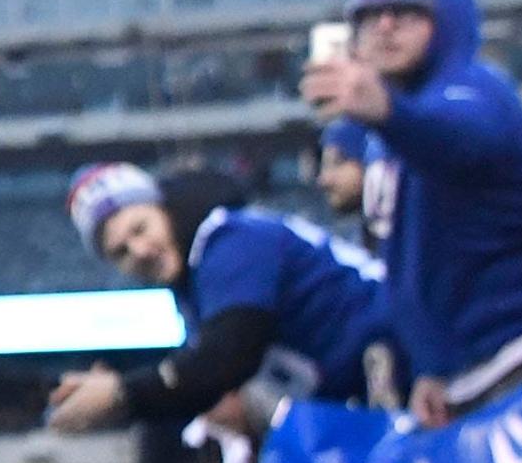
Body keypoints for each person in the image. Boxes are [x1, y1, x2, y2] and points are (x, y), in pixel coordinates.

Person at [299, 0, 522, 421]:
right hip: (464, 375)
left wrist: (390, 113)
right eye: (371, 17)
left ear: (445, 20)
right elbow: (410, 260)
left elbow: (457, 139)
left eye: (406, 13)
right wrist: (429, 365)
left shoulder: (477, 90)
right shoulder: (383, 135)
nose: (386, 26)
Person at [47, 158, 399, 438]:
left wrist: (122, 392)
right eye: (120, 252)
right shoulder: (195, 285)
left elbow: (228, 356)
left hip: (407, 361)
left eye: (140, 228)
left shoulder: (229, 240)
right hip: (373, 390)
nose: (139, 251)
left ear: (165, 211)